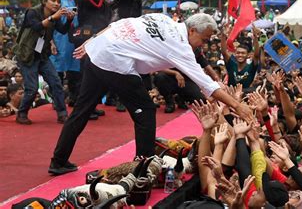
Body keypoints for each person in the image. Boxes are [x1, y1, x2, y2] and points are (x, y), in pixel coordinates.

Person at [49, 13, 254, 175]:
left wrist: (93, 41)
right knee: (146, 110)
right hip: (115, 61)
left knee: (82, 110)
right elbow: (206, 85)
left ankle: (58, 161)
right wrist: (238, 106)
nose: (204, 44)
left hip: (98, 52)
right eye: (204, 39)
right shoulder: (180, 46)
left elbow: (119, 23)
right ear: (192, 30)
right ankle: (144, 170)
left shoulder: (162, 18)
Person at [13, 0, 75, 125]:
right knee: (32, 88)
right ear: (44, 2)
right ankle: (22, 113)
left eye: (58, 2)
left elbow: (63, 30)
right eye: (53, 1)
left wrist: (69, 20)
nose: (56, 3)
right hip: (26, 55)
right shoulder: (32, 12)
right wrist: (53, 18)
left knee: (56, 83)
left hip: (42, 55)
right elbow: (36, 26)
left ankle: (62, 114)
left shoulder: (55, 15)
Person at [50, 0, 81, 107]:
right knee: (58, 71)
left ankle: (74, 98)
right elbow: (49, 21)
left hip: (76, 37)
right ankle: (57, 101)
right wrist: (51, 41)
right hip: (60, 37)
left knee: (75, 70)